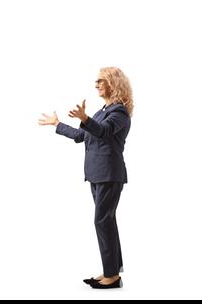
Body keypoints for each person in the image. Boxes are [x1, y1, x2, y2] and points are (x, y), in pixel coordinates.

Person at [38, 67, 133, 289]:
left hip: (110, 173)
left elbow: (104, 131)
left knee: (102, 220)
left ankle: (111, 276)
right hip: (96, 174)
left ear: (113, 83)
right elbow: (82, 135)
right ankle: (113, 270)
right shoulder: (101, 112)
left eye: (101, 80)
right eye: (96, 81)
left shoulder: (119, 112)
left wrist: (85, 117)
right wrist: (56, 124)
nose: (96, 84)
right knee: (107, 220)